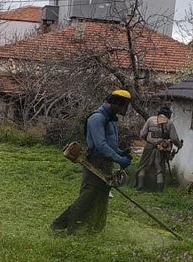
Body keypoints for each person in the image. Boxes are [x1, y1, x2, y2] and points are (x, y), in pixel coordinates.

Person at [51, 90, 133, 234]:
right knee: (88, 195)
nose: (122, 110)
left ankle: (94, 228)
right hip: (95, 162)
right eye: (122, 107)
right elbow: (100, 145)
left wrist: (121, 154)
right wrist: (119, 159)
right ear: (115, 103)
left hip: (106, 163)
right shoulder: (97, 118)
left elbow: (111, 145)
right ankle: (62, 225)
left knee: (102, 195)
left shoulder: (111, 119)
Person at [135, 106, 183, 192]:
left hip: (149, 147)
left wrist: (149, 141)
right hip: (161, 148)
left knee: (143, 165)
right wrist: (179, 145)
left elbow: (142, 134)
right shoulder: (169, 123)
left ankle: (140, 185)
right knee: (159, 167)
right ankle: (159, 189)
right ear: (168, 115)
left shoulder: (150, 120)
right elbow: (174, 138)